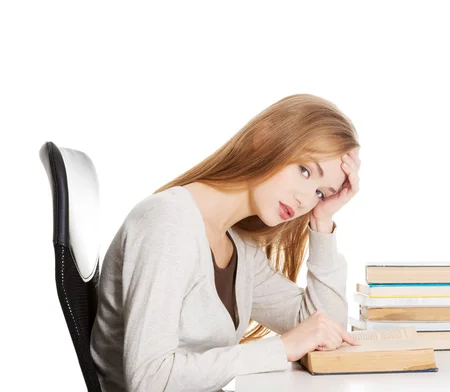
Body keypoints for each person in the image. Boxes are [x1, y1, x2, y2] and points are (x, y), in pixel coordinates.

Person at [90, 93, 362, 391]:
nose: (304, 199)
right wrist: (280, 349)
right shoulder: (168, 224)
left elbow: (324, 330)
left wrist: (322, 222)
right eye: (305, 170)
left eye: (321, 193)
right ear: (264, 138)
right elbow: (149, 380)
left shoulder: (238, 244)